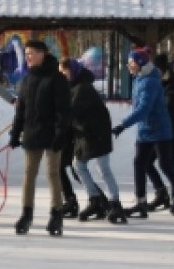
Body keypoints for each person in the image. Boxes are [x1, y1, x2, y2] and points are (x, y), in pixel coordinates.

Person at [113, 47, 174, 219]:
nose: (129, 66)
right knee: (140, 163)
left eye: (131, 62)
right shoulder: (139, 79)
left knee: (165, 165)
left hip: (159, 130)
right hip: (145, 130)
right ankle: (141, 202)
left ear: (140, 63)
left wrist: (122, 125)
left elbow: (144, 109)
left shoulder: (150, 82)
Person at [9, 40, 72, 235]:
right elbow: (21, 110)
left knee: (53, 173)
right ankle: (26, 213)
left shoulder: (57, 78)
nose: (27, 57)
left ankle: (56, 213)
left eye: (31, 53)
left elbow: (63, 111)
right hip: (32, 132)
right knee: (29, 174)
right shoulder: (27, 80)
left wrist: (61, 132)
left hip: (52, 133)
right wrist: (15, 132)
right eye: (26, 54)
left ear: (42, 54)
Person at [60, 58, 126, 224]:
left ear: (72, 71)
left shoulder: (83, 88)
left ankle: (115, 203)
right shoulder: (73, 87)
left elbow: (71, 112)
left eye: (64, 72)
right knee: (78, 165)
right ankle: (95, 200)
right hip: (85, 134)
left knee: (103, 168)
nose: (61, 75)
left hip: (97, 133)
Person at [139, 52, 174, 211]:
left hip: (172, 133)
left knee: (168, 165)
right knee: (147, 162)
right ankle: (161, 193)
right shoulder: (157, 84)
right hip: (159, 132)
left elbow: (168, 107)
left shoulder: (171, 85)